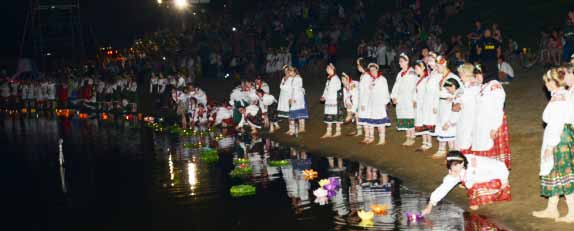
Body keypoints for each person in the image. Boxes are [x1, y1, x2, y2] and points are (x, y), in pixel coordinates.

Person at [532, 68, 574, 223]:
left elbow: (557, 123)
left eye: (548, 81)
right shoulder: (560, 95)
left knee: (562, 173)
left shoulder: (560, 99)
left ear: (556, 82)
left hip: (558, 138)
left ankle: (572, 212)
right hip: (560, 136)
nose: (546, 84)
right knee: (553, 172)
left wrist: (550, 146)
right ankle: (552, 208)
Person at [422, 151, 510, 215]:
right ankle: (483, 194)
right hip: (476, 179)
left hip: (493, 176)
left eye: (456, 166)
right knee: (471, 185)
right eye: (451, 166)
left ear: (462, 163)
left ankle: (491, 195)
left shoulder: (476, 162)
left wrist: (504, 180)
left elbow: (499, 166)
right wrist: (430, 205)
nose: (454, 169)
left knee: (480, 185)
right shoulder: (454, 171)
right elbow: (444, 187)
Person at [471, 65, 511, 169]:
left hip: (492, 122)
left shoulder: (495, 86)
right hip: (483, 122)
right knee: (483, 145)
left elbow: (498, 108)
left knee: (490, 146)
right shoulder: (484, 85)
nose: (477, 77)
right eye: (475, 75)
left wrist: (494, 127)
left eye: (479, 75)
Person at [433, 56, 462, 159]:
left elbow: (460, 90)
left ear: (443, 64)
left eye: (438, 66)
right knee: (441, 125)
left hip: (449, 106)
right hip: (442, 105)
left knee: (449, 128)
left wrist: (453, 97)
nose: (436, 68)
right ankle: (441, 149)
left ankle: (452, 153)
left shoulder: (452, 77)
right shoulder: (442, 77)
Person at [358, 63, 390, 145]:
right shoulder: (371, 80)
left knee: (381, 123)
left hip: (380, 103)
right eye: (371, 70)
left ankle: (382, 139)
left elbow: (386, 92)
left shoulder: (382, 79)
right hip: (372, 104)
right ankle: (372, 138)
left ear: (377, 69)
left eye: (374, 69)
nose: (372, 71)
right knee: (373, 122)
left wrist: (385, 103)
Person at [391, 53, 417, 146]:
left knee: (409, 116)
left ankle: (412, 136)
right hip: (401, 99)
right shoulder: (400, 74)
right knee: (403, 116)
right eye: (399, 62)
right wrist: (394, 96)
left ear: (407, 62)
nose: (399, 63)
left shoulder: (412, 73)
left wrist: (414, 99)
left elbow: (415, 86)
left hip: (409, 99)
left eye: (401, 61)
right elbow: (396, 86)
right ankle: (407, 136)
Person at [456, 64, 481, 155]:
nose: (460, 77)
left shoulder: (474, 86)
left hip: (470, 116)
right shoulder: (466, 84)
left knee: (467, 137)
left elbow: (465, 99)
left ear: (466, 74)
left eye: (460, 74)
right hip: (464, 115)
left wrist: (458, 100)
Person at [419, 53, 441, 151]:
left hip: (433, 101)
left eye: (432, 61)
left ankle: (438, 146)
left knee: (432, 121)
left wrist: (435, 104)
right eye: (429, 61)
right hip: (427, 100)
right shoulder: (432, 73)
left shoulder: (438, 74)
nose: (429, 63)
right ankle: (427, 142)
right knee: (427, 120)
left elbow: (438, 90)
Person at [320, 63, 344, 138]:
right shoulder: (329, 78)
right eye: (326, 68)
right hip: (329, 100)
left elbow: (332, 90)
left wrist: (325, 97)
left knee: (336, 116)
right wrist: (323, 96)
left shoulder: (335, 79)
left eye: (328, 68)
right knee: (329, 115)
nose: (326, 70)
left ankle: (338, 131)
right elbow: (326, 88)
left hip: (334, 100)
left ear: (332, 69)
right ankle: (328, 132)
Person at [285, 66, 308, 135]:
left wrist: (293, 99)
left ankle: (295, 130)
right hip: (297, 97)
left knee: (293, 113)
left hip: (297, 98)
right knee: (297, 112)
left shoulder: (297, 78)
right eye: (289, 71)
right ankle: (298, 128)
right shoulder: (294, 78)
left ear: (294, 72)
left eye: (290, 71)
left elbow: (297, 90)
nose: (289, 72)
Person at [413, 60, 430, 150]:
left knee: (426, 122)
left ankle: (429, 142)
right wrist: (414, 100)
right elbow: (416, 91)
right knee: (420, 121)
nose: (416, 70)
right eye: (415, 68)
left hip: (425, 103)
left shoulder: (428, 79)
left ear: (423, 67)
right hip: (419, 103)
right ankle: (424, 142)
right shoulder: (418, 78)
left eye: (417, 68)